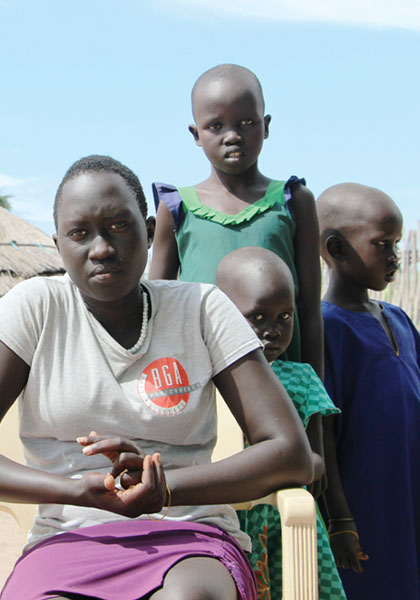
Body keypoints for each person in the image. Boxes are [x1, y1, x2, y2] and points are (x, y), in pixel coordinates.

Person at [0, 155, 319, 600]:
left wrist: (163, 489)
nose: (101, 248)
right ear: (58, 244)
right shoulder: (34, 308)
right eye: (80, 233)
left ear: (149, 231)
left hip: (188, 537)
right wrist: (75, 492)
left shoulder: (203, 309)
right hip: (68, 539)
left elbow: (290, 453)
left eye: (118, 226)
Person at [149, 63, 323, 378]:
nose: (233, 136)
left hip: (284, 380)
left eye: (247, 122)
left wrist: (317, 397)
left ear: (266, 126)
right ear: (196, 134)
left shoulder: (294, 201)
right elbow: (157, 310)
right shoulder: (177, 208)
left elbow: (310, 311)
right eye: (216, 125)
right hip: (201, 378)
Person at [216, 246, 346, 600]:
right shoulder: (207, 381)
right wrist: (281, 464)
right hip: (228, 521)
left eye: (284, 317)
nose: (272, 331)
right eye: (257, 317)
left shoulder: (301, 379)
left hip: (287, 523)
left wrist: (278, 466)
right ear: (222, 315)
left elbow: (314, 460)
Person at [317, 183, 420, 600]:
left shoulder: (396, 317)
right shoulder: (326, 330)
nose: (394, 257)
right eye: (382, 245)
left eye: (396, 244)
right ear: (338, 249)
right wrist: (341, 520)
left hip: (409, 487)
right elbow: (323, 434)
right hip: (368, 502)